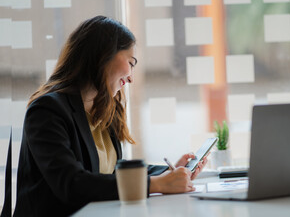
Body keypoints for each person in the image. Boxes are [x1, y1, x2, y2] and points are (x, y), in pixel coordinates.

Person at [14, 16, 208, 217]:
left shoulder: (103, 108)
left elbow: (111, 173)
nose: (131, 77)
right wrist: (155, 184)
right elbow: (71, 184)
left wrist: (169, 172)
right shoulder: (47, 110)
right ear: (103, 56)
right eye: (131, 63)